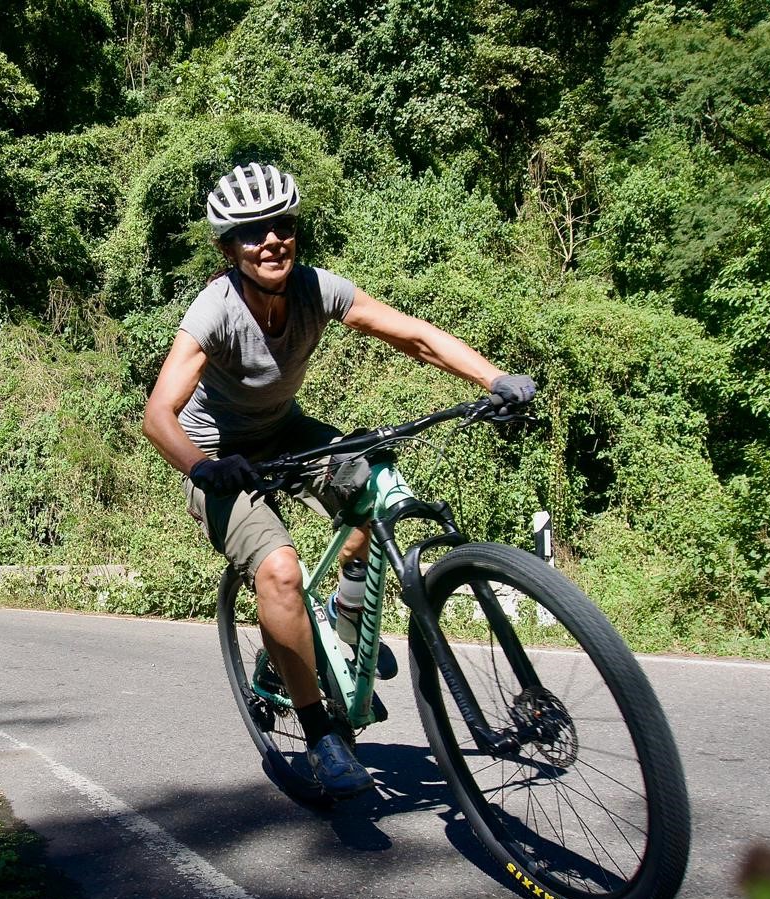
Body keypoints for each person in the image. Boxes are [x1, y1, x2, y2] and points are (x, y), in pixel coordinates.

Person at [142, 162, 536, 797]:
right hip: (217, 458)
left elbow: (412, 335)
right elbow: (158, 416)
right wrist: (204, 468)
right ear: (227, 249)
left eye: (281, 225)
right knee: (278, 572)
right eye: (250, 233)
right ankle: (321, 730)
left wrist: (492, 379)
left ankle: (346, 612)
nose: (270, 240)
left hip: (287, 433)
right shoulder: (213, 311)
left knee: (380, 490)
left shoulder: (316, 288)